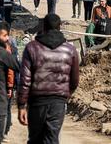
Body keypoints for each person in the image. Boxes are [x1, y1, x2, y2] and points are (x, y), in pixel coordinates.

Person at [18, 14, 80, 143]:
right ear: (60, 26)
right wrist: (66, 95)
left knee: (35, 139)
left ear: (43, 26)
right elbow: (74, 80)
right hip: (58, 101)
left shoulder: (32, 47)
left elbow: (25, 80)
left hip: (36, 102)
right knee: (52, 138)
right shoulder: (70, 49)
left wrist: (22, 105)